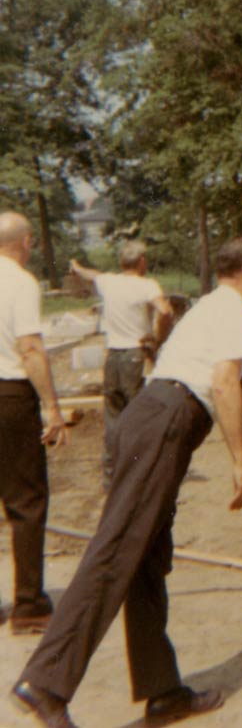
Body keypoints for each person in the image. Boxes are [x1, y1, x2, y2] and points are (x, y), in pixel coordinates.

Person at [12, 237, 242, 728]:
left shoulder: (212, 307)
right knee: (115, 549)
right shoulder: (233, 310)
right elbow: (222, 384)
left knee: (146, 558)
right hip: (165, 421)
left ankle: (162, 691)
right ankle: (45, 682)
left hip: (152, 416)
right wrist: (241, 461)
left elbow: (219, 366)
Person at [0, 212, 69, 638]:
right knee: (26, 500)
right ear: (25, 243)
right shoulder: (20, 283)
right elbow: (29, 348)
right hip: (9, 394)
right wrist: (52, 407)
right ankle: (28, 606)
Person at [69, 244, 173, 487]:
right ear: (142, 261)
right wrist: (158, 339)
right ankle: (140, 474)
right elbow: (165, 311)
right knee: (140, 414)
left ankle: (112, 475)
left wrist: (76, 267)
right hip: (135, 354)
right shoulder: (147, 285)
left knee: (114, 416)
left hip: (113, 357)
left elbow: (91, 274)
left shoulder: (109, 282)